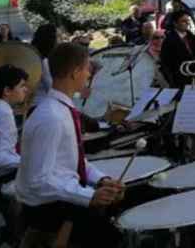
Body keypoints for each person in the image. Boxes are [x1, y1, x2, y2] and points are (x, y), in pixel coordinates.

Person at [16, 43, 125, 246]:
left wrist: (102, 180)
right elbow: (38, 181)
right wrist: (89, 196)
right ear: (75, 73)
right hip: (49, 211)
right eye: (86, 69)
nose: (89, 75)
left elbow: (72, 161)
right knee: (113, 237)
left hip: (59, 200)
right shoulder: (51, 117)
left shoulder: (61, 109)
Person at [0, 65, 28, 180]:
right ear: (7, 91)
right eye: (22, 86)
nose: (26, 90)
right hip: (0, 178)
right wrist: (27, 162)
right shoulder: (3, 112)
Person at [161, 12, 195, 87]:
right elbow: (166, 63)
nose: (187, 23)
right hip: (179, 80)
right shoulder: (169, 40)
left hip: (194, 76)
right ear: (175, 23)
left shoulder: (190, 36)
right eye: (183, 21)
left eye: (188, 21)